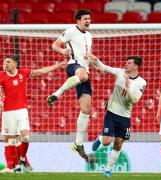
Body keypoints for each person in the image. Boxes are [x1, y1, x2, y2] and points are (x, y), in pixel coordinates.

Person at [47, 10, 101, 162]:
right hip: (73, 66)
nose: (88, 21)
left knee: (86, 109)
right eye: (85, 19)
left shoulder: (89, 36)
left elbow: (87, 56)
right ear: (78, 20)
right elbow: (54, 45)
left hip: (84, 70)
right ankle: (56, 94)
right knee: (83, 75)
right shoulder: (71, 31)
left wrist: (96, 65)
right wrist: (62, 50)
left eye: (90, 18)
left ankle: (78, 143)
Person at [0, 55, 67, 173]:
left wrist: (58, 65)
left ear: (15, 63)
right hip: (7, 112)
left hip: (21, 111)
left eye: (8, 62)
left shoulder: (23, 73)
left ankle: (21, 159)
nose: (5, 64)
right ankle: (15, 167)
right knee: (11, 140)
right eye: (4, 62)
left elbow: (41, 71)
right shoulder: (1, 76)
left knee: (25, 137)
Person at [91, 55, 146, 177]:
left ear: (136, 66)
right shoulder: (120, 72)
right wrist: (95, 59)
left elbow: (135, 100)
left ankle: (108, 170)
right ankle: (100, 139)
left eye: (129, 63)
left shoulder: (141, 82)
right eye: (126, 62)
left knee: (118, 144)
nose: (126, 64)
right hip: (112, 112)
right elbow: (104, 67)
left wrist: (128, 85)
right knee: (106, 141)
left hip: (125, 117)